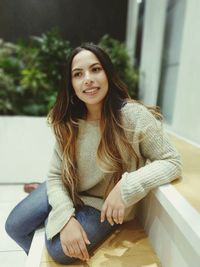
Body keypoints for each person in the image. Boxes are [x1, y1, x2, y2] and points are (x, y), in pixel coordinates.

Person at [5, 43, 182, 264]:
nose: (87, 79)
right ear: (71, 84)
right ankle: (53, 201)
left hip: (99, 203)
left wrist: (126, 187)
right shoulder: (68, 122)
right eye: (78, 74)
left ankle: (48, 201)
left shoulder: (134, 116)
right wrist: (64, 218)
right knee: (14, 225)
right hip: (68, 185)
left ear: (107, 73)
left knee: (59, 250)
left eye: (95, 69)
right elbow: (55, 175)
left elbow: (171, 160)